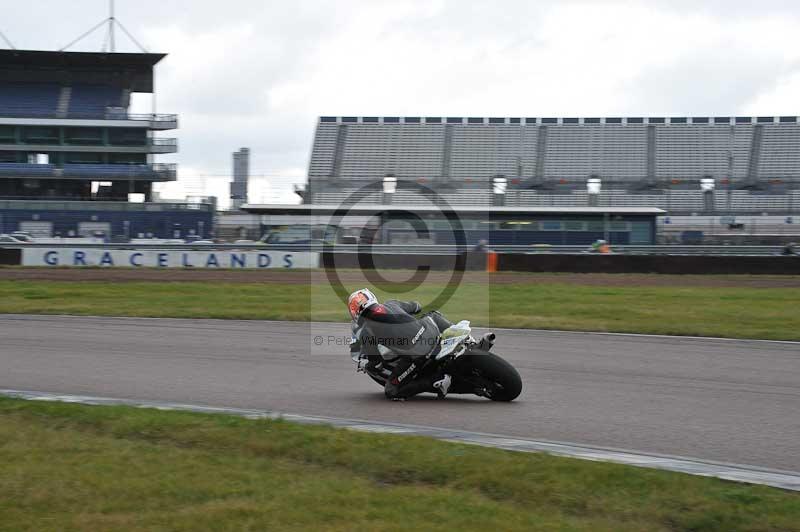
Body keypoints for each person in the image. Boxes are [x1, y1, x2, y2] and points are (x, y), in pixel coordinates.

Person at [348, 288, 453, 400]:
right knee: (433, 315)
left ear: (355, 313)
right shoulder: (391, 303)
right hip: (431, 332)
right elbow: (416, 306)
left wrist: (367, 366)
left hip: (417, 353)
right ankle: (460, 334)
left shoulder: (366, 332)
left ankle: (437, 380)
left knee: (391, 391)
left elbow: (376, 361)